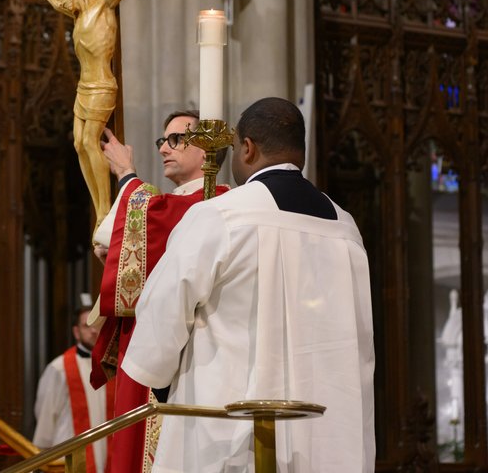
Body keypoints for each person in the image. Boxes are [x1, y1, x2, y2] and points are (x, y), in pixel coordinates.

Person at [122, 97, 375, 472]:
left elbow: (161, 316)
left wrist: (158, 381)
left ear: (248, 148)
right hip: (330, 441)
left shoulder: (219, 216)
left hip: (232, 439)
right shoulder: (345, 226)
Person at [90, 110, 229, 473]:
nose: (165, 148)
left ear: (208, 150)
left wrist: (125, 174)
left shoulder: (216, 201)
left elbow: (155, 217)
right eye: (162, 141)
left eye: (176, 140)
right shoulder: (180, 203)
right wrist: (117, 251)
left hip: (187, 354)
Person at [32, 0, 165, 227]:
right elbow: (61, 7)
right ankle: (98, 206)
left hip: (102, 86)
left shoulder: (102, 6)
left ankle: (106, 208)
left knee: (91, 141)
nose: (63, 3)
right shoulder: (78, 17)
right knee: (79, 143)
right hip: (83, 87)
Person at [33, 296, 113, 473]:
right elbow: (46, 417)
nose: (93, 331)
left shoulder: (113, 366)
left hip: (107, 458)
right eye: (86, 326)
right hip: (68, 461)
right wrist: (43, 455)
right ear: (76, 332)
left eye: (97, 325)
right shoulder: (59, 368)